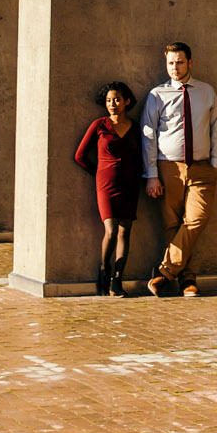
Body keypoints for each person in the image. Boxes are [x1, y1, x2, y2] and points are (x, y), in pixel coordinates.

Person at [140, 42, 217, 296]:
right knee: (172, 225)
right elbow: (148, 136)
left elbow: (216, 128)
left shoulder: (206, 92)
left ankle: (165, 272)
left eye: (179, 62)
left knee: (197, 219)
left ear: (190, 63)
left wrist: (215, 165)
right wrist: (152, 175)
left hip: (201, 168)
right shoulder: (157, 95)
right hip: (168, 168)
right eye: (170, 63)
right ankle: (187, 280)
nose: (174, 68)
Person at [74, 81, 144, 294]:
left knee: (125, 232)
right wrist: (99, 173)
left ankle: (117, 280)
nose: (112, 104)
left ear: (127, 101)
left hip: (130, 184)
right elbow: (80, 156)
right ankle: (104, 270)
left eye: (116, 100)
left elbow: (140, 157)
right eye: (108, 101)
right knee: (111, 230)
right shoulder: (99, 125)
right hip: (106, 184)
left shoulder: (135, 127)